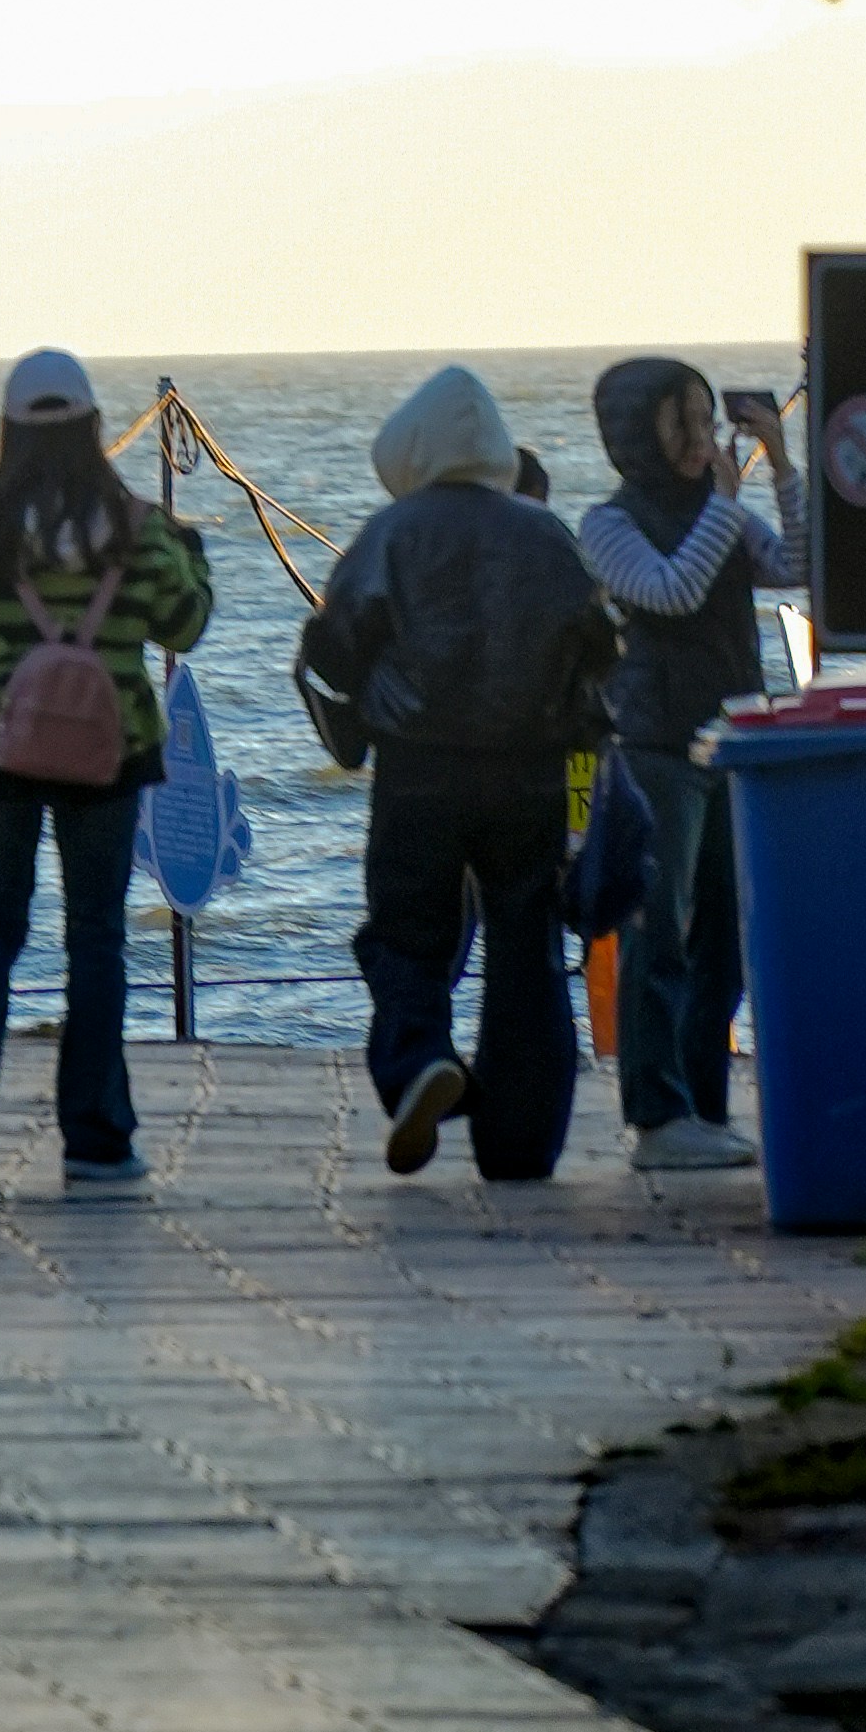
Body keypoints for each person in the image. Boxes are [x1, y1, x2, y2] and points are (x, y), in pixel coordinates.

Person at [0, 349, 211, 1190]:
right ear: (96, 431)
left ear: (5, 431)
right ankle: (97, 1139)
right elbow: (186, 622)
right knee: (96, 938)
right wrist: (192, 555)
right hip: (104, 755)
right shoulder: (135, 529)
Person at [298, 364, 617, 1183]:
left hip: (419, 773)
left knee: (406, 935)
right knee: (528, 949)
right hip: (532, 775)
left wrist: (354, 731)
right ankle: (519, 1144)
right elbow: (598, 661)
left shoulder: (392, 533)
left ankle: (418, 1062)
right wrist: (584, 778)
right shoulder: (547, 537)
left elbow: (334, 650)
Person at [578, 358, 808, 1178]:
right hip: (655, 750)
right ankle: (657, 1112)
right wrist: (726, 503)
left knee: (727, 942)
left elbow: (801, 566)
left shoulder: (722, 515)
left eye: (706, 421)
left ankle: (704, 1105)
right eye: (682, 423)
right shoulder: (606, 525)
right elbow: (668, 592)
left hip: (727, 744)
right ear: (637, 434)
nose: (702, 439)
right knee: (659, 935)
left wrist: (781, 461)